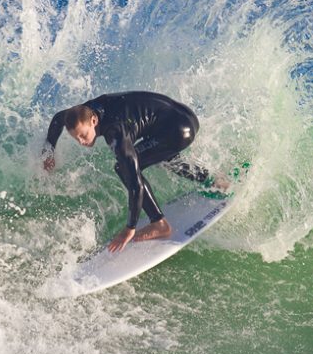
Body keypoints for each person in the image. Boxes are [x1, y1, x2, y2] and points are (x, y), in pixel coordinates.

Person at [42, 91, 227, 253]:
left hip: (177, 131)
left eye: (83, 135)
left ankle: (159, 223)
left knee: (123, 167)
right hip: (184, 117)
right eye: (76, 138)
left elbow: (135, 184)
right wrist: (48, 151)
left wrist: (130, 228)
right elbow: (60, 118)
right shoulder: (85, 110)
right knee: (161, 155)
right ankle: (213, 179)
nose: (81, 142)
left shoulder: (116, 133)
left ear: (94, 120)